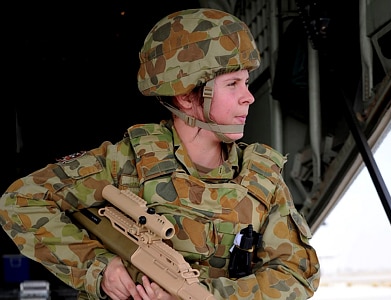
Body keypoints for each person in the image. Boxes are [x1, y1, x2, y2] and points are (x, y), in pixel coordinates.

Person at [0, 8, 320, 300]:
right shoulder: (126, 163)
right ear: (185, 96)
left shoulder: (262, 178)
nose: (248, 97)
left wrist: (203, 294)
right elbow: (22, 201)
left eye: (246, 83)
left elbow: (296, 273)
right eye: (232, 84)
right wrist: (99, 268)